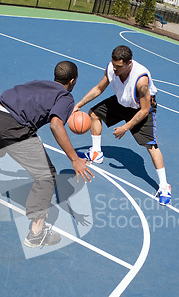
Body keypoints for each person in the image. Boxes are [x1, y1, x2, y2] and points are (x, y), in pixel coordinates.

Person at [0, 61, 94, 247]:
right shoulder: (66, 96)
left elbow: (9, 100)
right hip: (13, 127)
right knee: (46, 175)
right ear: (73, 80)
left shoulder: (38, 83)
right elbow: (55, 124)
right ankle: (37, 233)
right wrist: (75, 159)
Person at [73, 45, 171, 205]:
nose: (115, 69)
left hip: (140, 108)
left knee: (152, 146)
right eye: (113, 65)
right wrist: (79, 104)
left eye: (119, 67)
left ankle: (164, 186)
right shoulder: (111, 69)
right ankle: (96, 153)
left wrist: (126, 128)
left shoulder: (141, 80)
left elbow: (145, 110)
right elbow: (99, 88)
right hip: (122, 102)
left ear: (129, 63)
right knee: (94, 114)